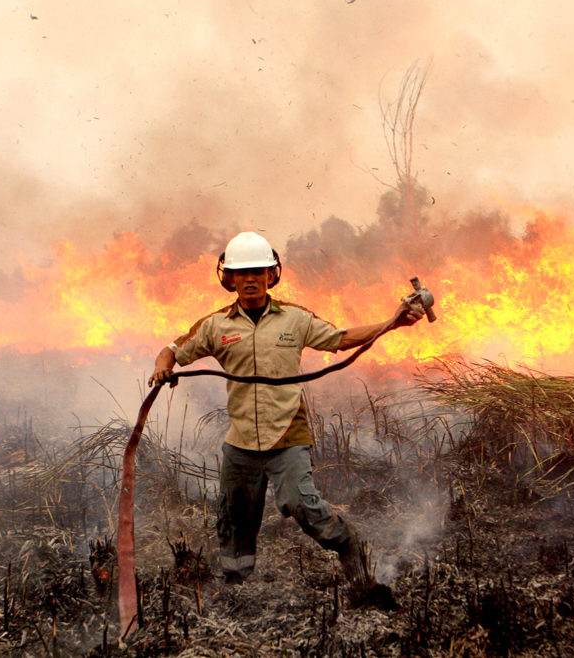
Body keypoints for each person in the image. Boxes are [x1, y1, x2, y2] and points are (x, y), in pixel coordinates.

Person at [150, 231, 424, 586]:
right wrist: (162, 367)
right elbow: (172, 350)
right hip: (241, 441)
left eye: (258, 271)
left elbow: (340, 339)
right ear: (228, 279)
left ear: (271, 275)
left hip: (287, 434)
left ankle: (348, 545)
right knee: (234, 518)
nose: (250, 279)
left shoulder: (294, 319)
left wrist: (393, 323)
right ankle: (237, 583)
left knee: (301, 503)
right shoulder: (215, 325)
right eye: (242, 273)